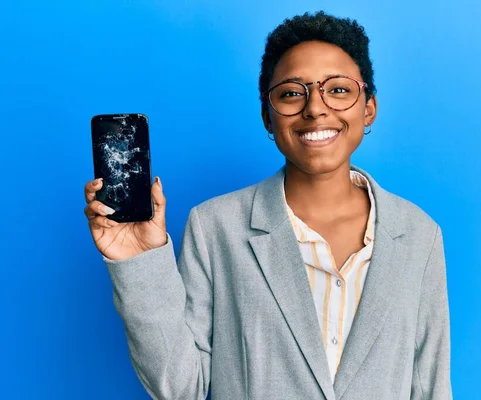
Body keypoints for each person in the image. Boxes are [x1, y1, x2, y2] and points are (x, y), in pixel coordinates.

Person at [83, 11, 452, 400]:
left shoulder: (418, 235)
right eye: (292, 92)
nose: (315, 108)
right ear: (268, 118)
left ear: (369, 108)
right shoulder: (215, 228)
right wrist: (137, 262)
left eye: (339, 90)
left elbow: (432, 386)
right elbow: (179, 387)